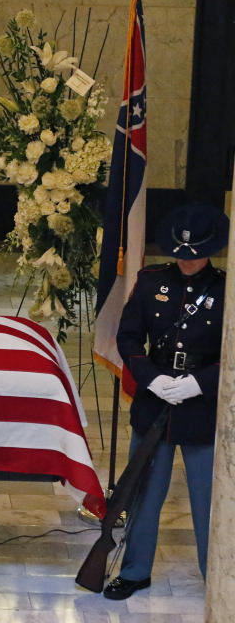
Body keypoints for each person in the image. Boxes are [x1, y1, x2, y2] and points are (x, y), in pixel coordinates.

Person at [103, 202, 228, 599]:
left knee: (209, 502)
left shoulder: (226, 288)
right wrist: (151, 379)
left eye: (194, 256)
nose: (186, 262)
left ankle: (218, 577)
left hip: (201, 406)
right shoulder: (151, 279)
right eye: (180, 254)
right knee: (143, 495)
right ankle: (136, 570)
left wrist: (199, 384)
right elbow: (127, 338)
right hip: (155, 401)